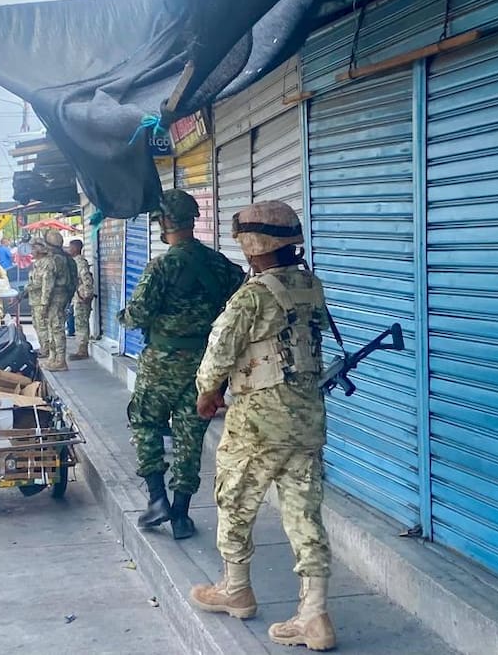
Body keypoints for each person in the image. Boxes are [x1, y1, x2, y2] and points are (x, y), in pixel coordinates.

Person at [188, 201, 335, 651]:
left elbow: (219, 351)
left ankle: (236, 590)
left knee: (234, 500)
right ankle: (315, 615)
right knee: (304, 513)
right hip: (307, 419)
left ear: (256, 245)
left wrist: (207, 393)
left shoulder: (253, 295)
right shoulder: (310, 286)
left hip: (257, 423)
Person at [120, 189, 245, 540]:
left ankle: (157, 499)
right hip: (205, 366)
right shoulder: (220, 264)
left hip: (161, 364)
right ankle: (180, 514)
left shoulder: (161, 266)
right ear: (192, 219)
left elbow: (137, 314)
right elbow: (240, 303)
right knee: (190, 435)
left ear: (164, 222)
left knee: (146, 423)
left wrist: (123, 316)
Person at [33, 230, 77, 371]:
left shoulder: (53, 260)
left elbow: (48, 284)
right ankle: (54, 358)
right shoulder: (66, 258)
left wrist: (44, 303)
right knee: (53, 327)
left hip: (55, 297)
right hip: (62, 296)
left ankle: (60, 361)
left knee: (56, 329)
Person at [68, 239, 94, 360]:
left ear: (76, 248)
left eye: (70, 247)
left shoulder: (80, 262)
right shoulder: (74, 261)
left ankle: (83, 350)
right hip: (78, 297)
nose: (69, 249)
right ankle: (81, 348)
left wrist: (87, 295)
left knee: (81, 323)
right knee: (79, 323)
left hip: (82, 297)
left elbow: (86, 279)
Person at [25, 240, 52, 359]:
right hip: (35, 300)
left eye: (33, 248)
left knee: (42, 326)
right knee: (37, 325)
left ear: (40, 250)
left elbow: (42, 283)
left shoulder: (46, 263)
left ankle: (46, 349)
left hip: (41, 300)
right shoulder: (37, 263)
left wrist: (27, 288)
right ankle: (43, 347)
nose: (31, 251)